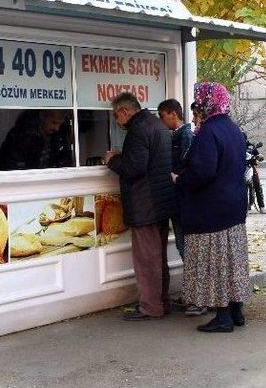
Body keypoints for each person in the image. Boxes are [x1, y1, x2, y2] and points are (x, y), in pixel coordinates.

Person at [173, 82, 250, 333]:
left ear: (207, 102)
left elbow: (202, 171)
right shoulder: (233, 129)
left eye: (199, 102)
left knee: (215, 264)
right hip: (233, 208)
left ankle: (223, 317)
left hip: (211, 210)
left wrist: (180, 180)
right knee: (231, 262)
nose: (197, 107)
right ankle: (236, 311)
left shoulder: (208, 132)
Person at [105, 92, 175, 320]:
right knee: (159, 257)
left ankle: (150, 307)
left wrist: (113, 160)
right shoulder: (157, 124)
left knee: (147, 260)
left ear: (126, 111)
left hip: (145, 204)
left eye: (117, 115)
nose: (116, 121)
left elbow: (134, 168)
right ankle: (162, 302)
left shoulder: (137, 130)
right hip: (161, 203)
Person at [157, 98, 207, 316]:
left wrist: (177, 179)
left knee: (187, 249)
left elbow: (188, 169)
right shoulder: (179, 135)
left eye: (162, 116)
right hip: (179, 201)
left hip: (183, 202)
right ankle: (193, 293)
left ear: (171, 114)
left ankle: (198, 296)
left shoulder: (185, 136)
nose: (161, 121)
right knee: (184, 247)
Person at [0, 109, 73, 171]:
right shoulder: (20, 136)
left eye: (60, 124)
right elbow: (13, 167)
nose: (57, 128)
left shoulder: (58, 137)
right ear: (42, 117)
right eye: (54, 122)